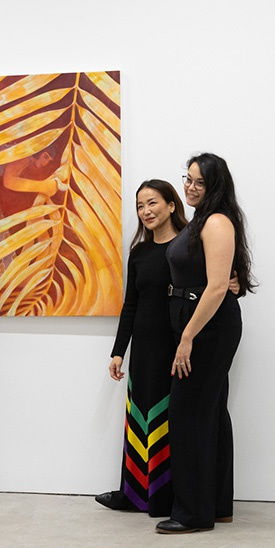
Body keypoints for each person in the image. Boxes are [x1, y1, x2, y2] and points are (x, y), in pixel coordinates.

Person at [156, 153, 254, 535]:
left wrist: (187, 337)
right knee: (209, 414)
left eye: (199, 182)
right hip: (199, 322)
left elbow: (215, 288)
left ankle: (194, 513)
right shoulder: (201, 220)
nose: (190, 187)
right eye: (188, 179)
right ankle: (215, 505)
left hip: (206, 328)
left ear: (215, 187)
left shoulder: (215, 221)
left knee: (190, 415)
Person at [97, 180, 188, 517]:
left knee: (168, 419)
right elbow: (130, 306)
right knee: (138, 418)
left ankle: (166, 498)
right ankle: (133, 494)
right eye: (140, 206)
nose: (146, 211)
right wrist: (119, 351)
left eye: (152, 203)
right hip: (144, 350)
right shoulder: (139, 252)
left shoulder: (186, 249)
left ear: (171, 205)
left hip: (175, 348)